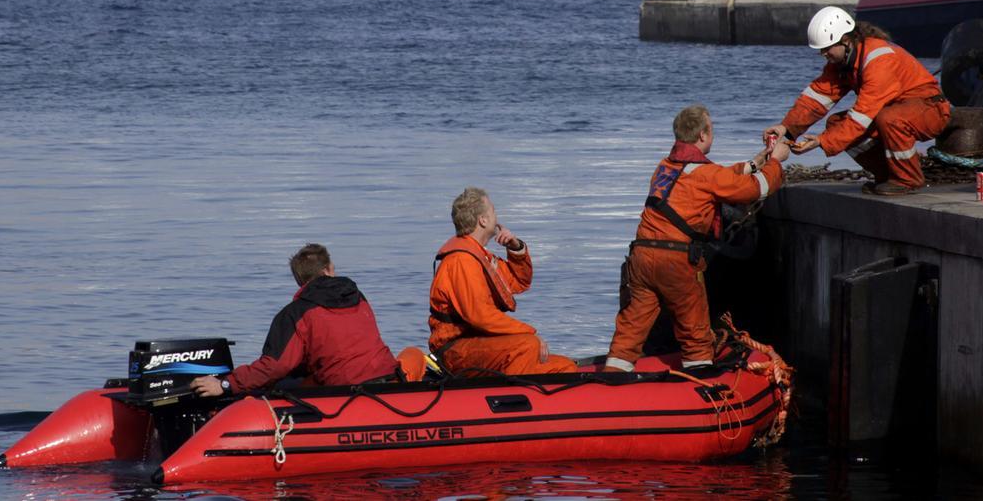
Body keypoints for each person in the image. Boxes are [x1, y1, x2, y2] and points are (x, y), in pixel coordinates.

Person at [606, 105, 789, 373]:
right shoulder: (705, 174)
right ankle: (700, 377)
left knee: (631, 328)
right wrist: (775, 162)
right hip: (676, 260)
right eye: (711, 129)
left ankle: (612, 378)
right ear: (703, 135)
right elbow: (755, 189)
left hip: (641, 258)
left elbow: (715, 176)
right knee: (694, 331)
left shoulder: (665, 166)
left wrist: (754, 163)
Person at [764, 6, 950, 196]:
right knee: (836, 123)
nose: (823, 54)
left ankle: (907, 179)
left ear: (845, 40)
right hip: (895, 111)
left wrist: (822, 141)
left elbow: (861, 117)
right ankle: (887, 176)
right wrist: (786, 130)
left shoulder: (879, 60)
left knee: (890, 119)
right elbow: (816, 99)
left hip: (930, 109)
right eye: (821, 50)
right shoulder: (843, 63)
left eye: (827, 49)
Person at [189, 244, 398, 396]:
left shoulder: (296, 313)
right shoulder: (357, 297)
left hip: (344, 390)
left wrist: (225, 384)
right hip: (388, 379)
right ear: (329, 270)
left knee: (276, 386)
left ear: (299, 280)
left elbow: (273, 367)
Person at [428, 187, 577, 376]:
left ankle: (521, 384)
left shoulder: (479, 256)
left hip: (479, 342)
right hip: (456, 350)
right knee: (527, 344)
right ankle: (510, 389)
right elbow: (480, 316)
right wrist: (529, 332)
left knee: (566, 367)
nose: (497, 217)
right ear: (483, 220)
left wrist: (516, 248)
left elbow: (518, 282)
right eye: (493, 211)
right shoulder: (461, 260)